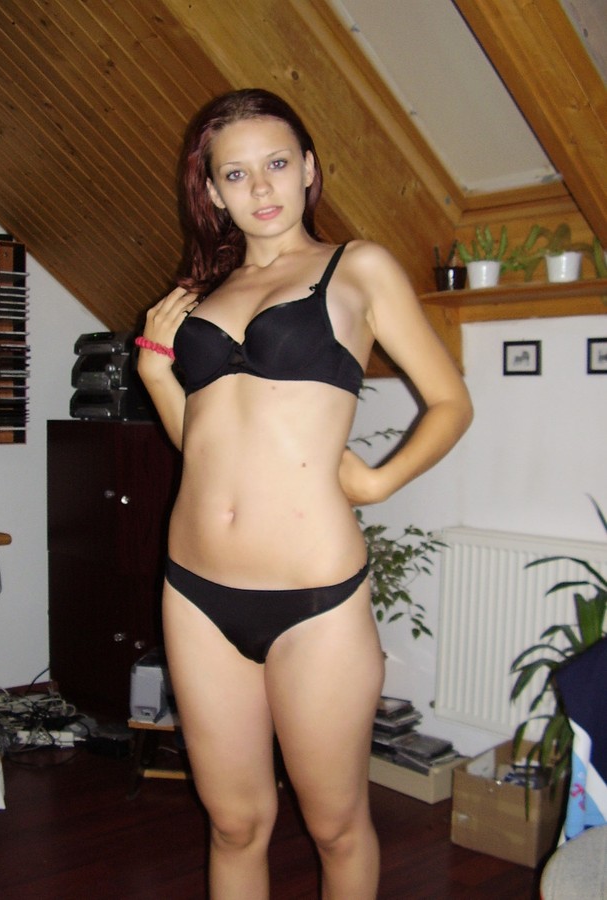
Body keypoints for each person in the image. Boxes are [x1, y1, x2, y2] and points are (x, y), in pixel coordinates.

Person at [137, 88, 473, 900]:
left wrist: (378, 479)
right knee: (233, 824)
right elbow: (204, 448)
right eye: (236, 173)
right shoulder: (202, 296)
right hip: (195, 589)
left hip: (313, 596)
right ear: (212, 191)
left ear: (309, 169)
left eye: (277, 163)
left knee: (335, 826)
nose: (261, 187)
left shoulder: (358, 268)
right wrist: (156, 373)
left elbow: (450, 402)